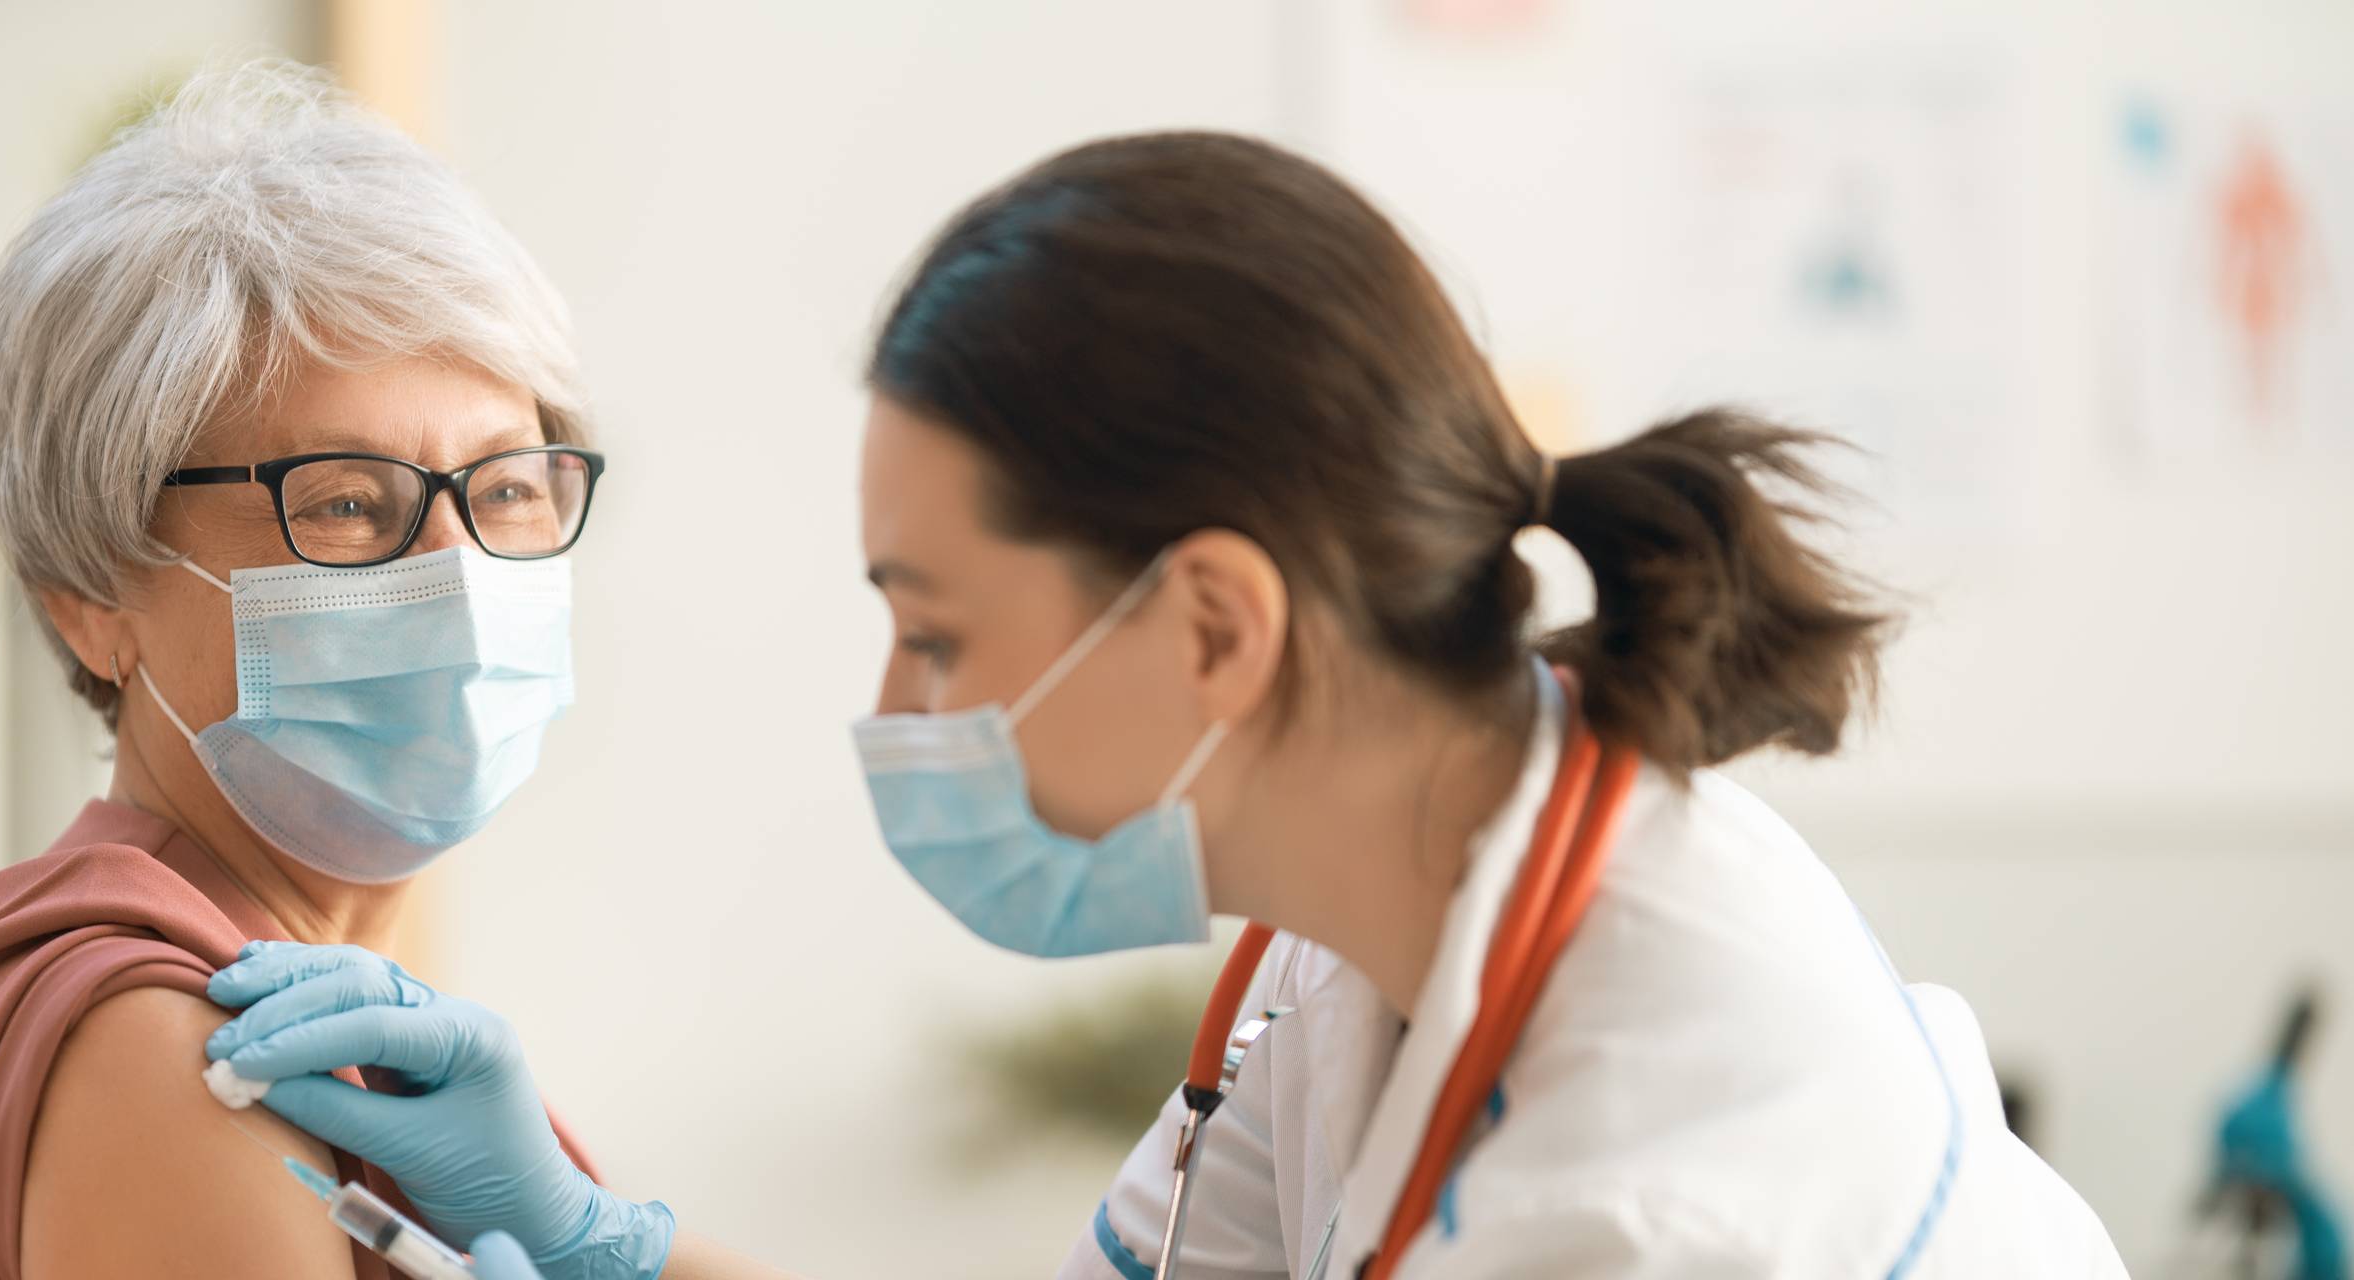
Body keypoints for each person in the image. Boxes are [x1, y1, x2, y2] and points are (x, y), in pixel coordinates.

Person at [230, 131, 2130, 1277]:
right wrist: (599, 1241)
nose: (897, 713)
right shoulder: (1335, 953)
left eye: (941, 636)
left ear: (1212, 626)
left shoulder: (1651, 1196)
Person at [0, 61, 645, 1279]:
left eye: (508, 487)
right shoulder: (168, 1043)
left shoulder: (348, 1031)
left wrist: (607, 1248)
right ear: (93, 599)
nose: (459, 571)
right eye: (350, 503)